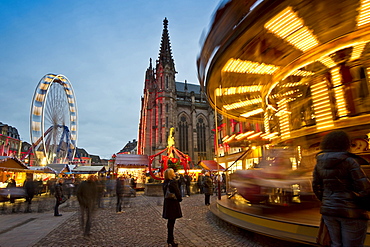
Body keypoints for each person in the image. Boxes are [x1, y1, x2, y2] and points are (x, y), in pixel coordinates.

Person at [312, 130, 370, 247]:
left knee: (336, 244)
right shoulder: (350, 161)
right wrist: (362, 204)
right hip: (351, 212)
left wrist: (327, 201)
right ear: (345, 144)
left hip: (329, 211)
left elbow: (316, 186)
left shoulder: (319, 162)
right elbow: (364, 188)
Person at [162, 168, 182, 247]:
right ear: (171, 174)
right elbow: (177, 192)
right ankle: (170, 240)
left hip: (167, 203)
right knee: (171, 222)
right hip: (173, 203)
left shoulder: (165, 182)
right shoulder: (173, 182)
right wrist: (179, 199)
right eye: (173, 172)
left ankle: (170, 239)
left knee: (170, 222)